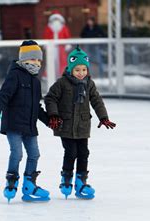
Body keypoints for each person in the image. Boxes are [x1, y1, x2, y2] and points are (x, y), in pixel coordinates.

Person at [44, 46, 116, 200]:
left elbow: (96, 101)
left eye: (84, 69)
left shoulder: (89, 83)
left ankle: (81, 181)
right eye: (77, 70)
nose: (81, 73)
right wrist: (54, 114)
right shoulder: (62, 83)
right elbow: (50, 98)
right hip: (66, 125)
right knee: (71, 152)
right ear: (70, 69)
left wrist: (103, 117)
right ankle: (67, 178)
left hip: (83, 125)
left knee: (84, 153)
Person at [0, 40, 50, 203]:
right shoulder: (15, 75)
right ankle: (11, 180)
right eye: (33, 60)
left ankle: (29, 184)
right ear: (24, 60)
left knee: (34, 154)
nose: (36, 63)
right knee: (17, 153)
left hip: (29, 126)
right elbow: (4, 94)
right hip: (14, 124)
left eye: (39, 60)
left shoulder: (36, 82)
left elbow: (37, 107)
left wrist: (49, 121)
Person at [43, 11, 72, 76]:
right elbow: (46, 36)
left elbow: (67, 36)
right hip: (51, 47)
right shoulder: (48, 27)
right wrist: (46, 44)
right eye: (55, 19)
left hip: (61, 47)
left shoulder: (64, 27)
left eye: (57, 19)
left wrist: (67, 44)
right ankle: (49, 75)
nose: (56, 21)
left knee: (62, 61)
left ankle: (63, 74)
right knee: (50, 61)